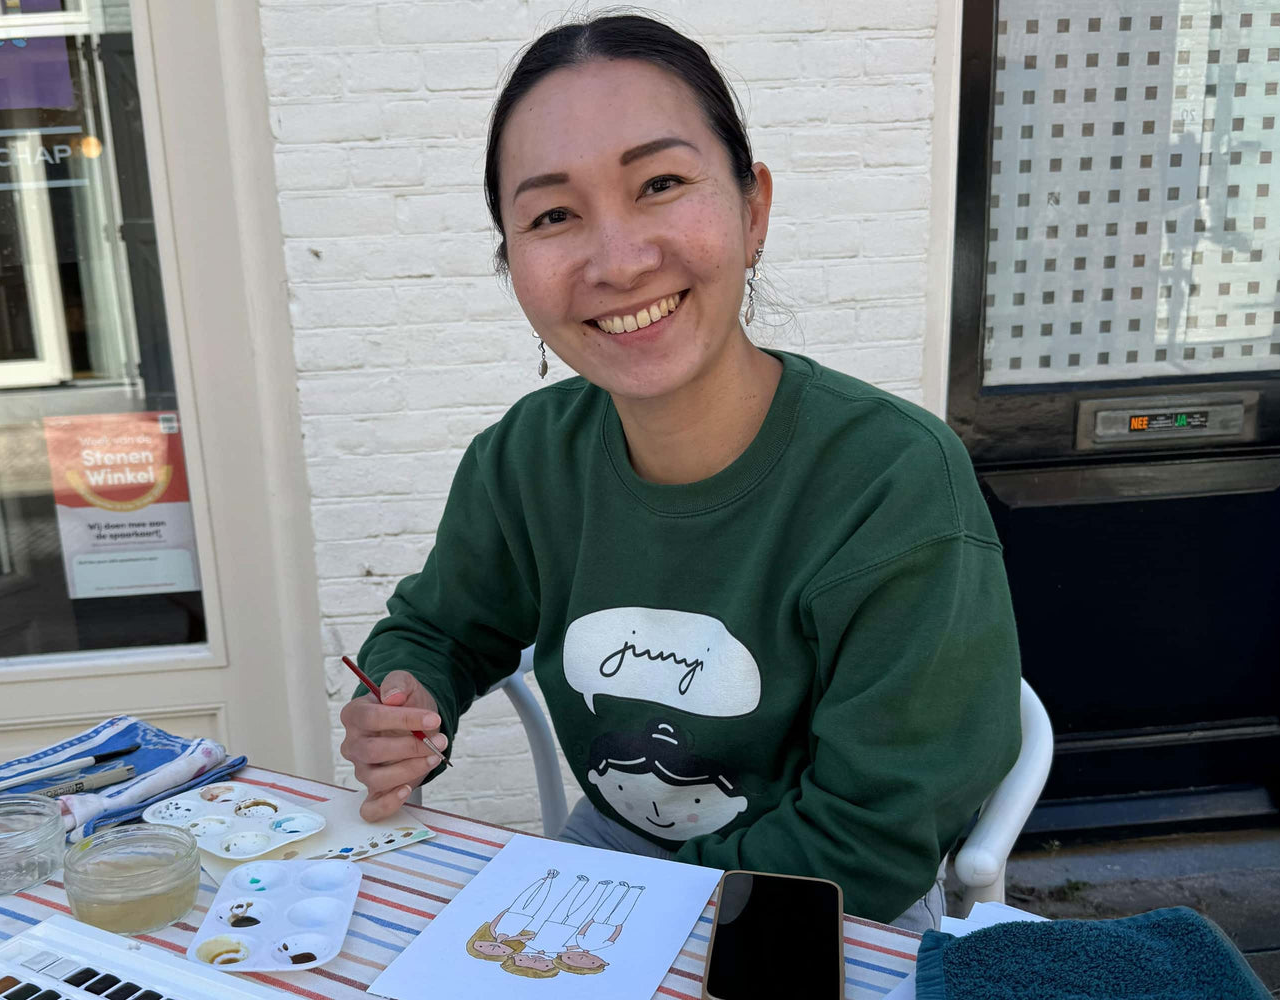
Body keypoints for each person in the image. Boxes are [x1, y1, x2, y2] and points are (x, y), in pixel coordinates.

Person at [338, 12, 1022, 932]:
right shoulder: (526, 459)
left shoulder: (893, 483)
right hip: (610, 860)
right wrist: (405, 698)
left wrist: (619, 914)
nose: (618, 261)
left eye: (659, 183)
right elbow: (439, 628)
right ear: (513, 263)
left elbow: (869, 840)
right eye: (552, 215)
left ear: (753, 209)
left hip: (821, 905)